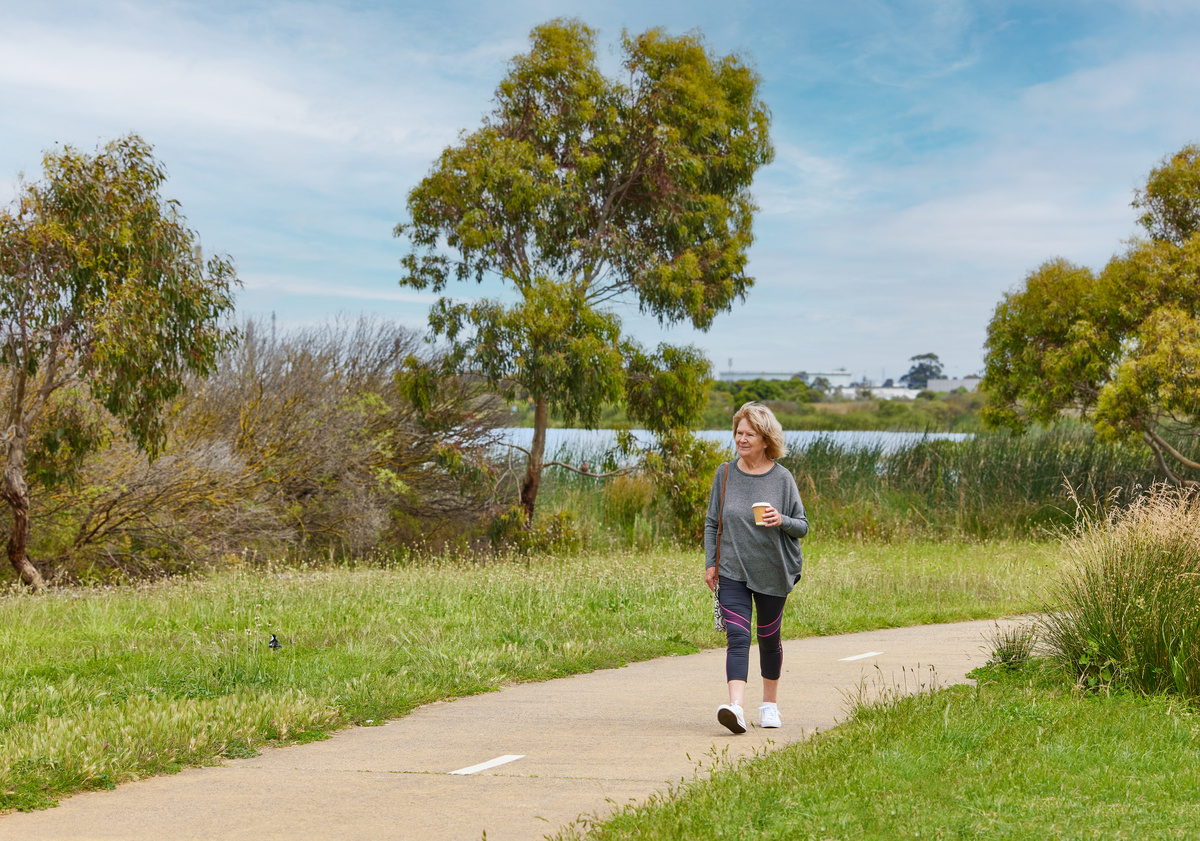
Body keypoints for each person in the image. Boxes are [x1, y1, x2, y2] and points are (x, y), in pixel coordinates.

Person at [704, 401, 808, 733]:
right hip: (732, 570)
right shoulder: (724, 474)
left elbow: (802, 526)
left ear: (765, 439)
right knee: (738, 635)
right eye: (739, 432)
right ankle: (735, 708)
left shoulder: (782, 478)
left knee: (768, 638)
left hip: (772, 571)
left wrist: (781, 519)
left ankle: (769, 707)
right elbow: (712, 523)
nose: (742, 439)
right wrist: (711, 564)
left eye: (749, 434)